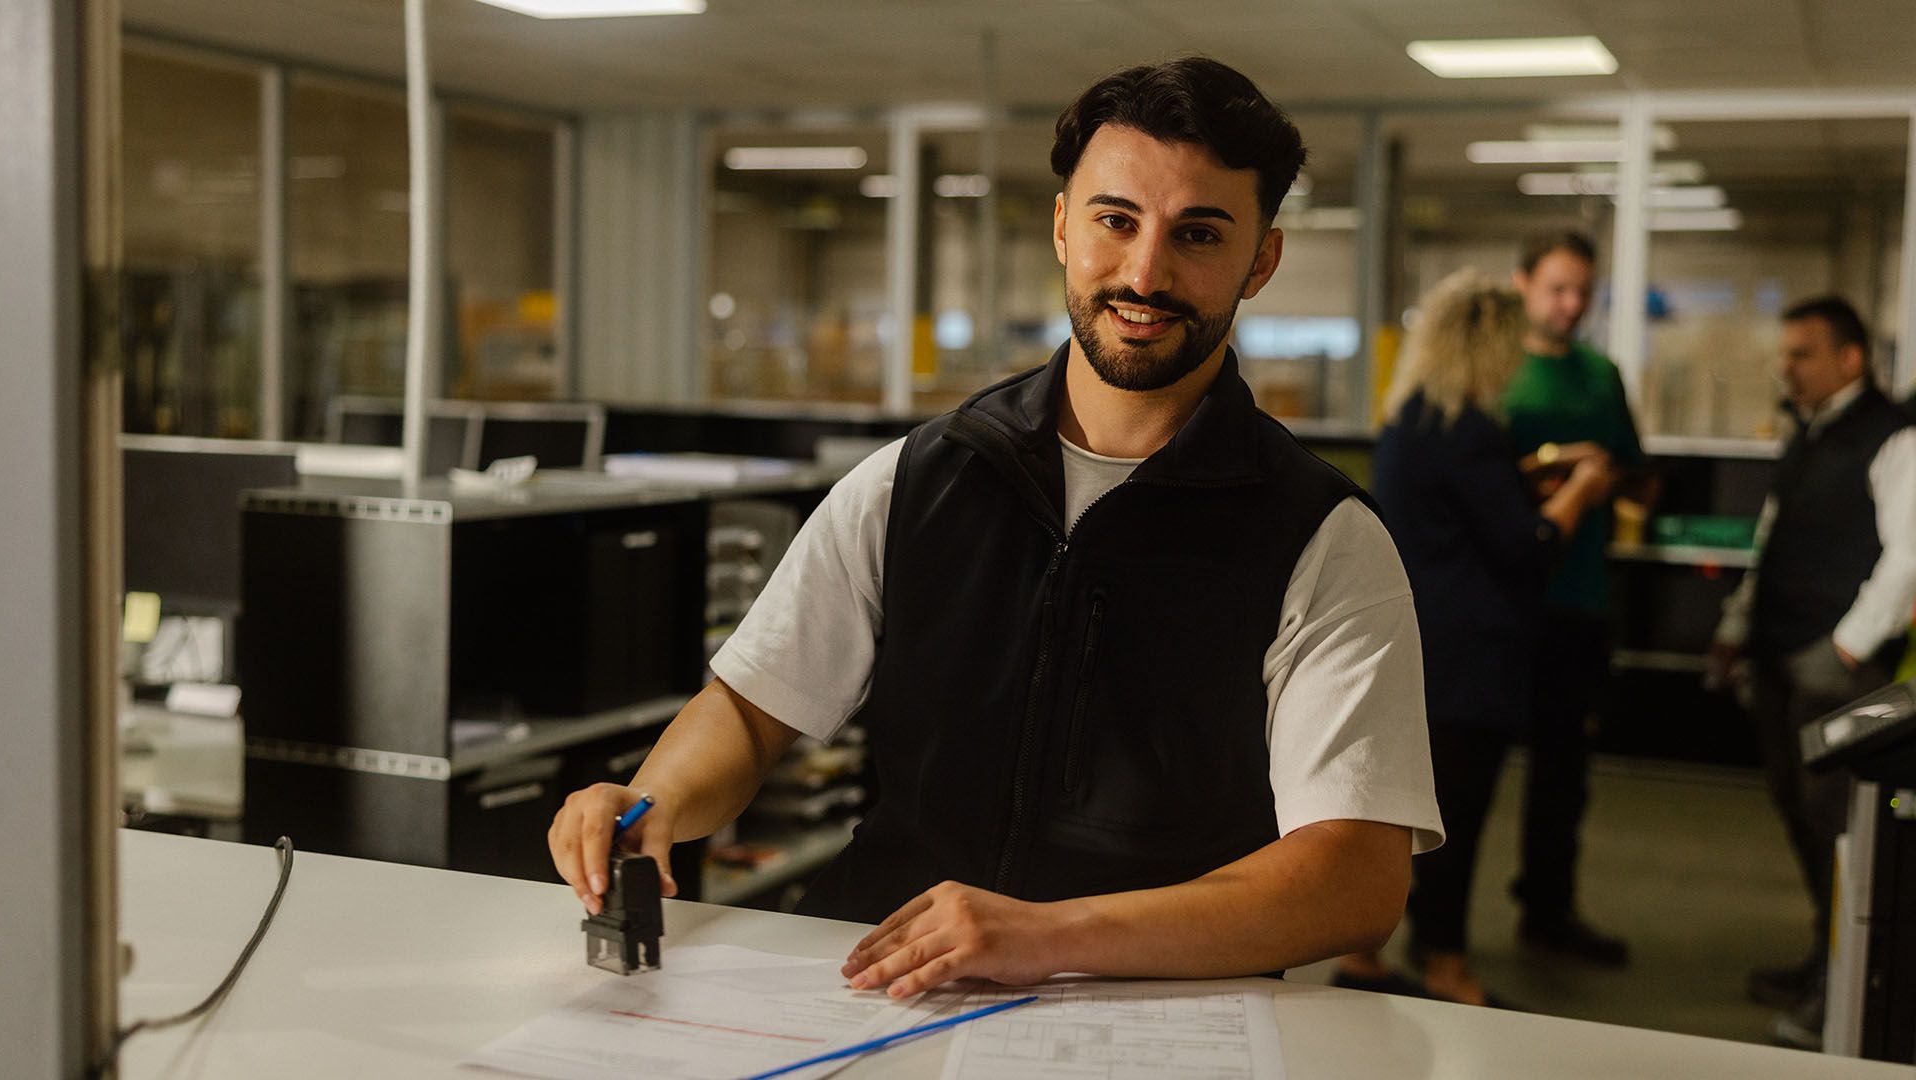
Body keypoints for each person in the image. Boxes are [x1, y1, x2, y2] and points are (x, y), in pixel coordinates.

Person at [547, 57, 1444, 997]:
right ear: (1062, 225)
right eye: (1115, 220)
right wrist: (654, 801)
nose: (1146, 270)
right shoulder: (917, 479)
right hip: (881, 979)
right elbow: (750, 705)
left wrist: (1051, 935)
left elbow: (1355, 876)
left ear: (1261, 260)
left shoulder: (1323, 539)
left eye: (1200, 233)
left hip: (1150, 1011)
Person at [1334, 271, 1618, 1007]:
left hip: (1419, 645)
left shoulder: (1413, 423)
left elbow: (1454, 511)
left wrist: (1530, 471)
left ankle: (1363, 957)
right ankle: (1446, 968)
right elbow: (1524, 547)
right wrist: (1579, 492)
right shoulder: (1470, 431)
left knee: (1398, 814)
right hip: (1472, 658)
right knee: (1453, 820)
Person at [1709, 295, 1916, 1048]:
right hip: (1779, 657)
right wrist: (1736, 627)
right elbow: (1772, 540)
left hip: (1837, 669)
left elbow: (1910, 557)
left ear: (1850, 359)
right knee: (1803, 821)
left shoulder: (1895, 438)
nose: (1785, 367)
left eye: (1801, 353)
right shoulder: (1807, 436)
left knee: (1845, 836)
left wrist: (1849, 648)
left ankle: (1847, 986)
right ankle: (1822, 957)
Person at [1495, 231, 1646, 967]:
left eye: (1583, 290)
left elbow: (1634, 471)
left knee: (1564, 775)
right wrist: (1550, 468)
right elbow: (1471, 479)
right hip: (1502, 598)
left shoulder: (1601, 376)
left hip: (1578, 598)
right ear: (1523, 283)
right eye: (1557, 287)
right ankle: (1432, 929)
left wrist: (1599, 478)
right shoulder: (1496, 374)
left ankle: (1548, 912)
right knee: (1465, 772)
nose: (1571, 304)